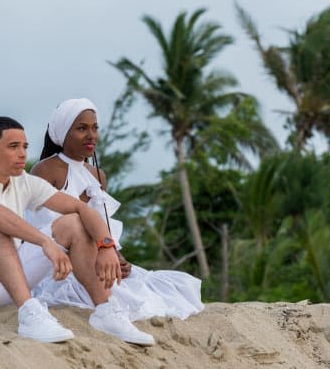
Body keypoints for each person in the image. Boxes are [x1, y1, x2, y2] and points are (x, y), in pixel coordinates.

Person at [0, 116, 155, 345]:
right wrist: (44, 241)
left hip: (8, 284)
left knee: (73, 222)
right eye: (13, 146)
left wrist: (106, 245)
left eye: (25, 147)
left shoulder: (24, 182)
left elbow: (79, 207)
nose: (22, 154)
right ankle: (29, 314)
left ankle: (106, 312)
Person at [26, 99, 205, 322]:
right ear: (63, 133)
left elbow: (102, 225)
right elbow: (37, 226)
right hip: (56, 262)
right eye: (82, 128)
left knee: (146, 292)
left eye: (94, 128)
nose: (91, 135)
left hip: (95, 258)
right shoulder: (45, 169)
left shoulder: (97, 175)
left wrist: (118, 257)